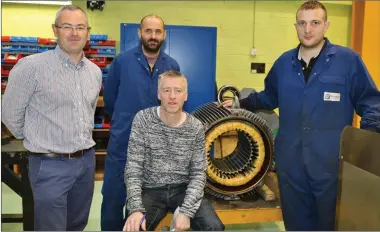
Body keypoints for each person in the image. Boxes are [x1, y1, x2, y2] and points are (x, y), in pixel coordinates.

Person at [223, 1, 380, 230]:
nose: (308, 29)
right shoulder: (284, 63)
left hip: (331, 166)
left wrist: (367, 143)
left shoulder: (348, 61)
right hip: (291, 165)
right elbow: (268, 97)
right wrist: (239, 103)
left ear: (326, 26)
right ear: (295, 26)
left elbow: (370, 101)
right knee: (296, 225)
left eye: (315, 23)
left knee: (331, 225)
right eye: (302, 23)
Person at [1, 5, 102, 231]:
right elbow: (9, 114)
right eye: (67, 27)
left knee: (77, 224)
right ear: (55, 30)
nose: (74, 33)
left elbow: (89, 111)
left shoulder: (94, 72)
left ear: (88, 31)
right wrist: (37, 139)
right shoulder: (31, 67)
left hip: (86, 162)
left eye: (80, 27)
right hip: (49, 163)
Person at [101, 14, 180, 231]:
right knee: (112, 202)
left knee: (141, 208)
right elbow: (109, 100)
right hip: (122, 147)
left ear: (163, 35)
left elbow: (175, 104)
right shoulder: (122, 62)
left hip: (155, 152)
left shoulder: (171, 65)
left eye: (157, 32)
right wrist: (122, 121)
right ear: (140, 33)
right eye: (148, 31)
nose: (152, 36)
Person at [123, 70, 224, 231]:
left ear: (185, 95)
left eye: (178, 91)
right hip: (150, 189)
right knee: (135, 228)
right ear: (159, 94)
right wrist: (135, 209)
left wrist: (186, 211)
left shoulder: (195, 127)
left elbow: (198, 173)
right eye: (166, 90)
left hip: (183, 189)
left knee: (214, 227)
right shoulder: (142, 119)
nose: (172, 96)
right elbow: (133, 168)